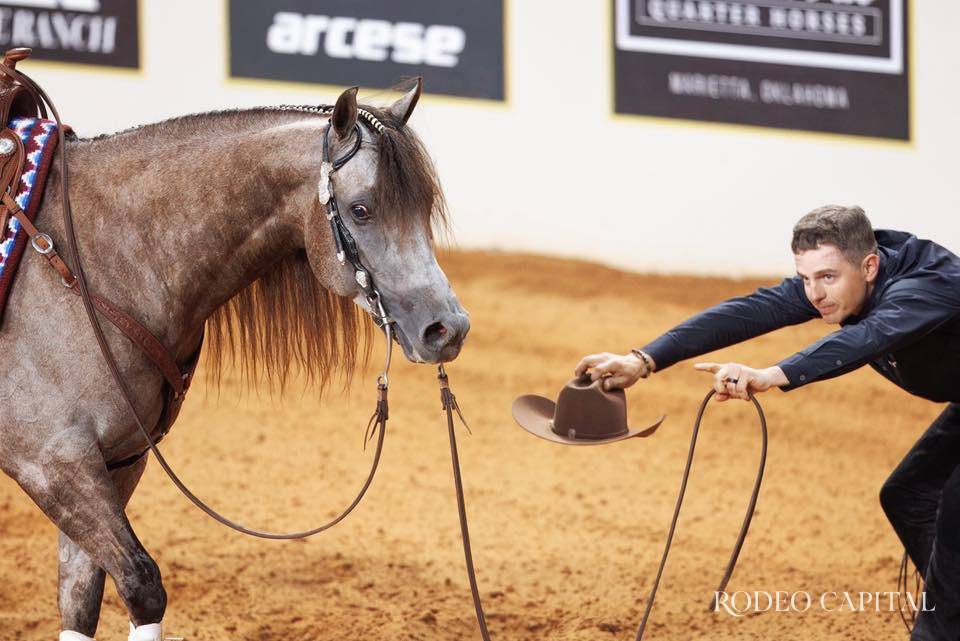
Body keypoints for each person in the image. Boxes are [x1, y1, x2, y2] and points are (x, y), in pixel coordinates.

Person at [575, 205, 960, 640]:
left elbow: (867, 338)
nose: (815, 294)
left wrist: (770, 375)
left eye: (827, 278)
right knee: (907, 494)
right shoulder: (842, 277)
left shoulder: (929, 285)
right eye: (806, 278)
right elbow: (752, 311)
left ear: (869, 266)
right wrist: (642, 360)